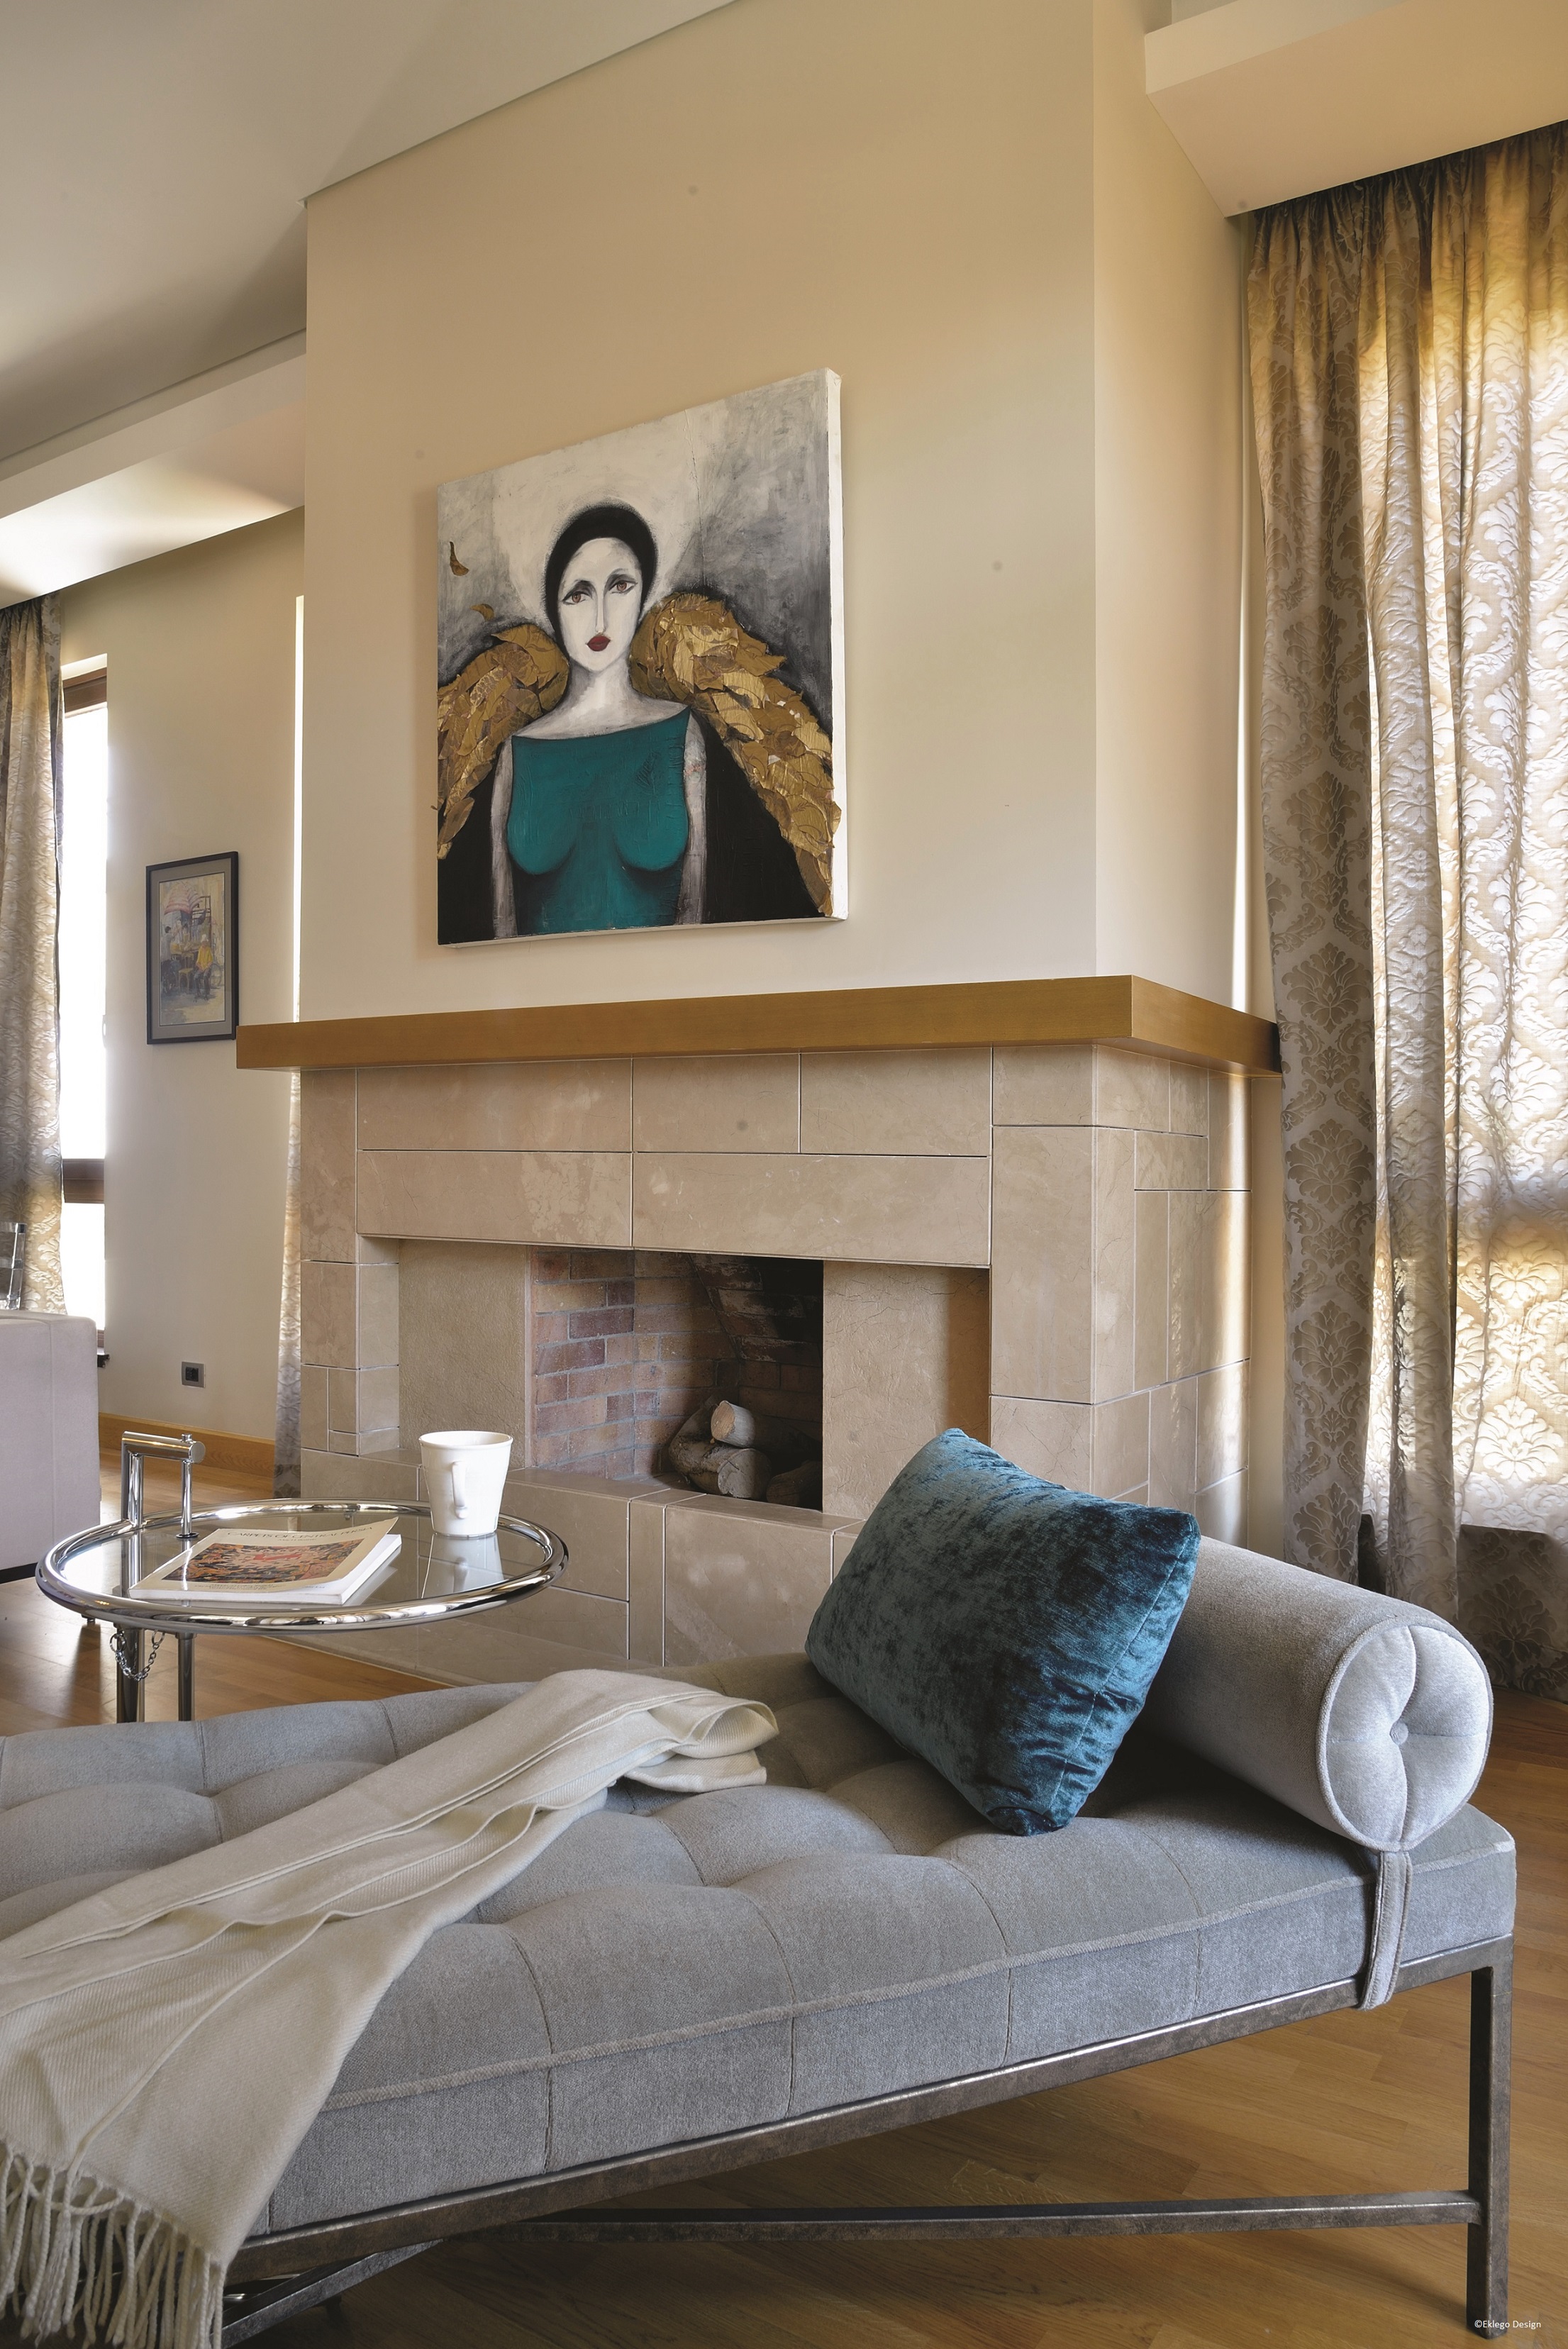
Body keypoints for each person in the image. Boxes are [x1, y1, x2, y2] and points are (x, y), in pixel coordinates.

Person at [450, 503, 820, 939]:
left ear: (644, 596)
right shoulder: (517, 755)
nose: (600, 618)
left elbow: (695, 916)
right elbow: (501, 927)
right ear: (554, 608)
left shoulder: (683, 737)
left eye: (620, 586)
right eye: (578, 594)